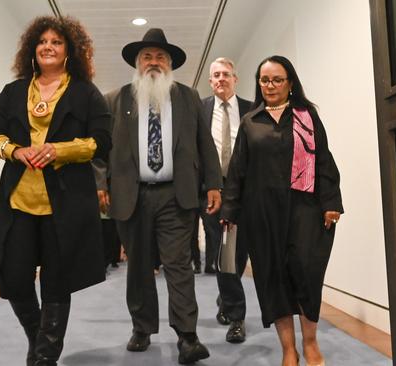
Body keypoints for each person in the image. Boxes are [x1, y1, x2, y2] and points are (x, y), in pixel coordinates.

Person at [0, 16, 110, 366]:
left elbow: (103, 141)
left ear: (69, 51)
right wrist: (14, 150)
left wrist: (59, 150)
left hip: (66, 204)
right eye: (42, 42)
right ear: (32, 51)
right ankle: (39, 340)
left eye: (56, 42)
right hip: (19, 201)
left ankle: (44, 358)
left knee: (56, 282)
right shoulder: (14, 91)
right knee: (14, 278)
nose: (48, 47)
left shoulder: (85, 92)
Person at [94, 28, 222, 364]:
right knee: (137, 266)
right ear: (137, 63)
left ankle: (187, 335)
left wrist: (213, 184)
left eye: (160, 57)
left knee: (178, 264)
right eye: (147, 57)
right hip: (131, 194)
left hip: (175, 195)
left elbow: (205, 145)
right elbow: (100, 152)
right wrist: (100, 184)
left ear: (170, 64)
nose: (154, 62)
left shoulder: (188, 97)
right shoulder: (115, 99)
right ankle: (142, 327)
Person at [221, 55, 343, 366]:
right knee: (272, 279)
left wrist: (331, 202)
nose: (270, 85)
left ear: (290, 83)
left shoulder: (306, 116)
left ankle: (311, 343)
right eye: (265, 80)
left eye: (277, 79)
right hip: (262, 214)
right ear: (258, 83)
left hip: (305, 208)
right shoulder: (251, 122)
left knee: (306, 272)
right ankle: (289, 350)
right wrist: (230, 211)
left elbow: (324, 161)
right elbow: (238, 172)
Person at [201, 57, 252, 343]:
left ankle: (225, 297)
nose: (221, 79)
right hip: (213, 191)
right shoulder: (201, 110)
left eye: (226, 74)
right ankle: (236, 317)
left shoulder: (251, 109)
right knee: (225, 253)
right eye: (216, 75)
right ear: (210, 82)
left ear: (235, 78)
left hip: (245, 191)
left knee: (238, 253)